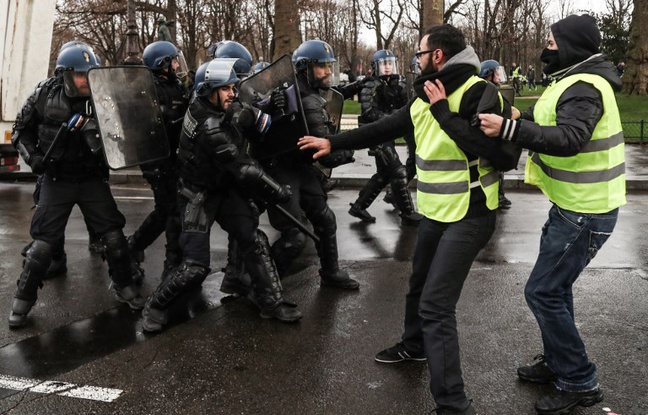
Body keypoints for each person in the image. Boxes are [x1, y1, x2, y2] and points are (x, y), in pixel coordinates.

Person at [299, 25, 519, 414]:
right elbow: (386, 126)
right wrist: (334, 142)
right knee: (418, 284)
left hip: (471, 214)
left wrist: (442, 113)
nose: (414, 60)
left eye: (419, 53)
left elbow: (503, 157)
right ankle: (415, 347)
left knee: (436, 305)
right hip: (436, 212)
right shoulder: (425, 92)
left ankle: (453, 405)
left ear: (437, 55)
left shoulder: (479, 92)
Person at [479, 14, 624, 415]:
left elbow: (571, 138)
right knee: (555, 290)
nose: (547, 46)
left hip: (586, 211)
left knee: (541, 291)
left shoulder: (583, 85)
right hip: (574, 207)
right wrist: (517, 118)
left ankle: (578, 380)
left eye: (552, 41)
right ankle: (558, 360)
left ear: (571, 46)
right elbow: (549, 122)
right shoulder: (574, 79)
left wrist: (510, 132)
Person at [140, 58, 302, 332]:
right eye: (225, 89)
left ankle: (270, 300)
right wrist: (279, 192)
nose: (232, 93)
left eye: (233, 87)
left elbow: (248, 116)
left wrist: (251, 113)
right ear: (208, 91)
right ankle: (155, 305)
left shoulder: (211, 105)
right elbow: (245, 169)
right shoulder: (210, 127)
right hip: (198, 194)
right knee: (195, 267)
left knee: (254, 239)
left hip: (222, 187)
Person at [9, 44, 146, 328]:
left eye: (89, 73)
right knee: (42, 248)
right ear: (65, 74)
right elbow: (22, 131)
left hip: (90, 178)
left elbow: (120, 133)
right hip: (56, 178)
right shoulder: (44, 95)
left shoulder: (101, 95)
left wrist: (96, 131)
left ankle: (125, 286)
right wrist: (32, 157)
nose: (86, 79)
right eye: (81, 74)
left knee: (114, 239)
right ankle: (22, 301)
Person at [250, 39, 359, 290]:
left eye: (329, 66)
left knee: (324, 218)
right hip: (282, 169)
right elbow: (326, 154)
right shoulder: (306, 99)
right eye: (322, 66)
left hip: (299, 166)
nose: (328, 72)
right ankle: (263, 287)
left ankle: (330, 272)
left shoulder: (298, 91)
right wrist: (351, 147)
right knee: (294, 235)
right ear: (304, 68)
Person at [127, 41, 188, 282]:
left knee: (170, 210)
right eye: (173, 60)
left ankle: (138, 247)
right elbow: (143, 124)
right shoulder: (145, 88)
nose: (176, 65)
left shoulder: (174, 84)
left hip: (173, 156)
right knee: (170, 210)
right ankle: (170, 263)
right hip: (156, 160)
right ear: (161, 64)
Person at [346, 49, 422, 226]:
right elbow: (369, 112)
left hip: (391, 131)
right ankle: (408, 213)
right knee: (397, 170)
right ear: (375, 66)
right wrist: (394, 118)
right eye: (383, 64)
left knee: (383, 174)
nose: (388, 67)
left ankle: (359, 206)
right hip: (376, 133)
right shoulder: (370, 85)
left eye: (390, 63)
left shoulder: (400, 84)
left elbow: (408, 107)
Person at [479, 59, 513, 210]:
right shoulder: (488, 91)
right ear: (488, 74)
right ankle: (498, 196)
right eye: (497, 72)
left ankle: (500, 194)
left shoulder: (490, 90)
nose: (499, 75)